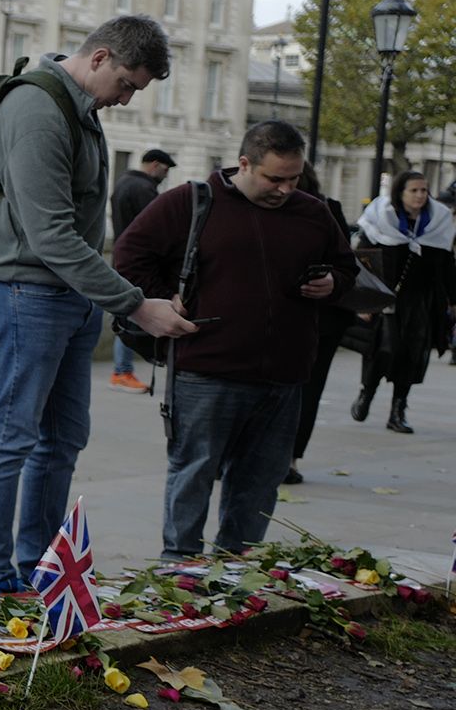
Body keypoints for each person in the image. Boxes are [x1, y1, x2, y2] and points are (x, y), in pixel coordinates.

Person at [0, 15, 197, 593]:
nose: (127, 99)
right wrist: (137, 306)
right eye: (128, 85)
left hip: (61, 294)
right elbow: (51, 236)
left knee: (62, 438)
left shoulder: (78, 108)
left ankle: (38, 570)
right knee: (9, 438)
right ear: (101, 58)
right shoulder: (38, 109)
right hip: (20, 291)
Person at [114, 121, 356, 559]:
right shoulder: (189, 202)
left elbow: (347, 269)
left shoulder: (313, 212)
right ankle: (179, 567)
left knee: (260, 480)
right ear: (244, 164)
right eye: (274, 178)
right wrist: (163, 301)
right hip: (208, 368)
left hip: (284, 373)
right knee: (194, 471)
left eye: (293, 178)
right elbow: (128, 256)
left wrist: (333, 283)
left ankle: (236, 568)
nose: (285, 188)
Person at [350, 170, 454, 434]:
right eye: (414, 190)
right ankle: (367, 393)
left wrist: (454, 299)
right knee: (384, 350)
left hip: (420, 301)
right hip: (386, 298)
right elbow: (363, 261)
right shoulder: (380, 219)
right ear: (400, 193)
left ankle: (398, 410)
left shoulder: (438, 223)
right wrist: (363, 302)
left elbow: (446, 266)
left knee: (412, 354)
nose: (420, 195)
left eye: (424, 190)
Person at [286, 162, 357, 483]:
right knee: (306, 390)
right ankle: (289, 459)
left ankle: (287, 458)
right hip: (316, 317)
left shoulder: (325, 210)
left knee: (304, 389)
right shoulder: (328, 208)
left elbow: (346, 267)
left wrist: (331, 280)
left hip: (317, 317)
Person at [107, 148, 176, 394]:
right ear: (155, 165)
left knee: (126, 314)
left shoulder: (123, 183)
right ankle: (122, 371)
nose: (164, 176)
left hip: (121, 258)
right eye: (165, 170)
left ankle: (121, 370)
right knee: (133, 315)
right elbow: (159, 230)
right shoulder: (144, 189)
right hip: (141, 264)